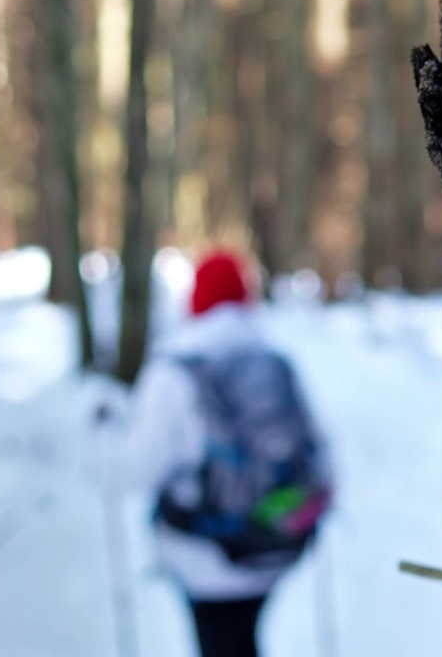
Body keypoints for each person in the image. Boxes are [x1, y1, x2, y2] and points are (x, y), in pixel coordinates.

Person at [103, 250, 329, 657]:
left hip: (204, 556)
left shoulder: (174, 372)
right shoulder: (275, 362)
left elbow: (139, 470)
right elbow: (320, 455)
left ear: (195, 302)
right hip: (276, 543)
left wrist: (108, 443)